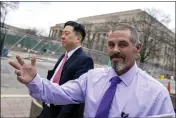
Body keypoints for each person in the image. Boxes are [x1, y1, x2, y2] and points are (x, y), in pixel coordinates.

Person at [9, 24, 175, 118]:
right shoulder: (91, 78)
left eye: (123, 44)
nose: (115, 50)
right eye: (111, 45)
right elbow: (58, 93)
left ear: (137, 48)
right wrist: (34, 81)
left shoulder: (157, 95)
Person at [26, 21, 94, 118]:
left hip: (61, 114)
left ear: (78, 38)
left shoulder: (85, 60)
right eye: (62, 33)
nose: (62, 36)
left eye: (66, 33)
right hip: (48, 108)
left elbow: (76, 96)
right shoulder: (63, 56)